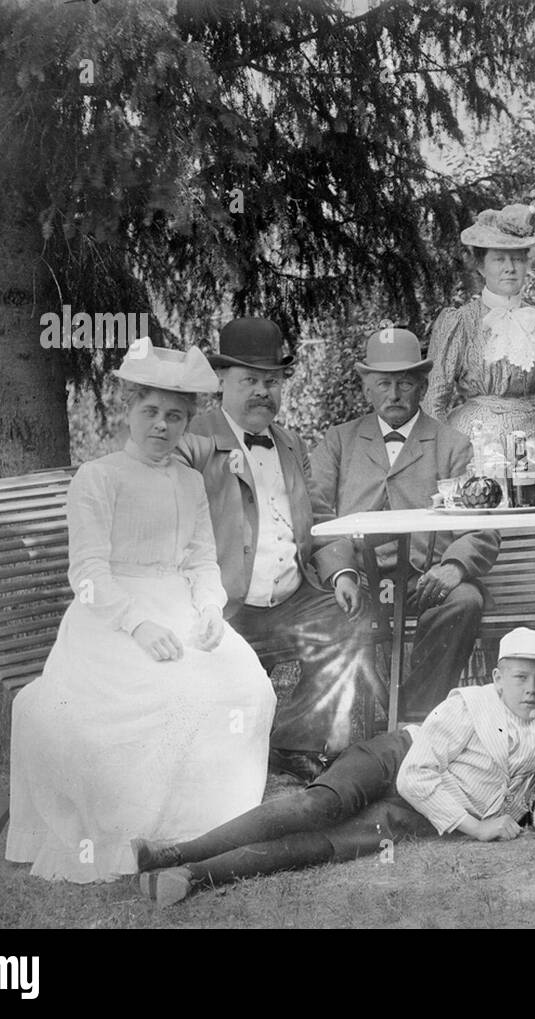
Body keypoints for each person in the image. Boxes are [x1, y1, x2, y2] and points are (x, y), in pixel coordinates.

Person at [6, 339, 276, 883]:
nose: (161, 426)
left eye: (174, 416)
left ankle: (206, 826)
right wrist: (138, 624)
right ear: (128, 411)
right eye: (149, 412)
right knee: (161, 696)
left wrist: (209, 608)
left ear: (188, 422)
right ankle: (135, 828)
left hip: (178, 606)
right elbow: (86, 572)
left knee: (246, 688)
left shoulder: (188, 479)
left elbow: (201, 559)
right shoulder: (99, 477)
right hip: (109, 618)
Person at [132, 627, 535, 907]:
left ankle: (187, 877)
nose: (531, 689)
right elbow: (417, 775)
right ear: (497, 677)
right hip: (396, 761)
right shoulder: (467, 706)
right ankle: (174, 852)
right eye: (520, 677)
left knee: (323, 845)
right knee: (317, 808)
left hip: (418, 813)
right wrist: (476, 826)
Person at [177, 317, 358, 782]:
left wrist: (342, 573)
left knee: (348, 625)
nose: (263, 391)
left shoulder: (289, 441)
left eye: (272, 381)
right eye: (250, 380)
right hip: (226, 604)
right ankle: (228, 750)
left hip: (290, 600)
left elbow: (319, 515)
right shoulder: (192, 441)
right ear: (222, 381)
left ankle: (293, 741)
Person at [309, 326, 500, 719]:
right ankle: (379, 721)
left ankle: (411, 715)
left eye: (405, 383)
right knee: (326, 613)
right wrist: (341, 572)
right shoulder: (340, 441)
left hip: (425, 581)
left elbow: (481, 522)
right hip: (360, 580)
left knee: (465, 603)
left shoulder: (452, 445)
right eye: (383, 384)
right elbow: (317, 513)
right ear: (366, 389)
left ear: (423, 386)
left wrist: (454, 566)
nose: (393, 395)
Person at [422, 203, 535, 440]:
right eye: (499, 260)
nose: (509, 268)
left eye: (517, 259)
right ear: (481, 267)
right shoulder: (460, 321)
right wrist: (440, 454)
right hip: (474, 440)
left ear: (527, 265)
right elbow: (435, 397)